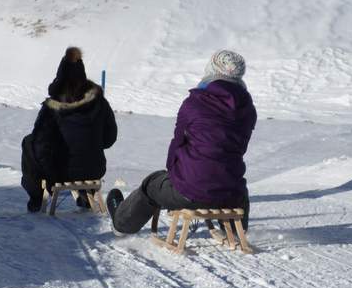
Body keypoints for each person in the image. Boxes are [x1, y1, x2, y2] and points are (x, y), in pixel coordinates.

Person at [107, 49, 256, 234]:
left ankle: (121, 225)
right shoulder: (248, 110)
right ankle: (236, 232)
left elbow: (177, 143)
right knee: (236, 185)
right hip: (230, 193)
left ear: (211, 70)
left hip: (190, 191)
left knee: (152, 184)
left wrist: (174, 175)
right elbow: (237, 148)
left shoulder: (195, 103)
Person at [21, 46, 117, 212]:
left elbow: (41, 146)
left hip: (62, 173)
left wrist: (49, 174)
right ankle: (86, 194)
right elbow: (109, 138)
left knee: (29, 142)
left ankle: (36, 197)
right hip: (95, 169)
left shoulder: (53, 107)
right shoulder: (100, 102)